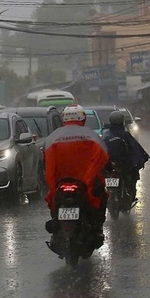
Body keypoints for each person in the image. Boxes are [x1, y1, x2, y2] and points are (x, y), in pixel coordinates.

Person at [43, 104, 109, 248]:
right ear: (83, 118)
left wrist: (53, 185)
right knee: (101, 199)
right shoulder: (92, 135)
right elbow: (102, 158)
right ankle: (97, 229)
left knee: (55, 203)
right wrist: (88, 179)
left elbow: (47, 163)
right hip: (86, 183)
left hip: (60, 184)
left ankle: (56, 227)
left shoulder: (52, 138)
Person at [102, 110, 150, 208]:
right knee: (133, 176)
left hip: (110, 165)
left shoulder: (105, 135)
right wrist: (141, 160)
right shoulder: (125, 135)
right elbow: (136, 150)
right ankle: (130, 195)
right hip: (121, 166)